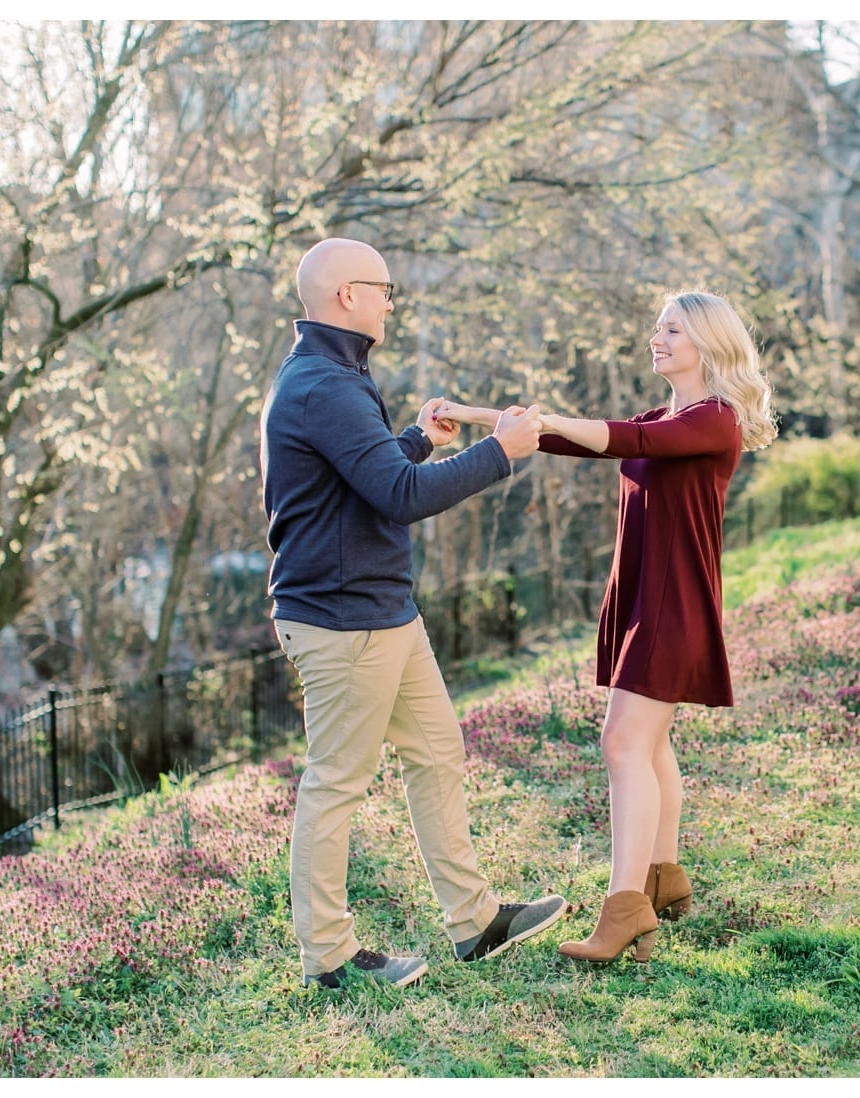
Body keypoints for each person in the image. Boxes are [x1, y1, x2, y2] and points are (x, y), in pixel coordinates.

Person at [434, 290, 776, 964]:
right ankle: (663, 877)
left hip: (670, 603)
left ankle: (625, 910)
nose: (658, 337)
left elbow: (631, 440)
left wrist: (544, 419)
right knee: (648, 746)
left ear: (707, 340)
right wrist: (473, 416)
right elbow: (575, 438)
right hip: (650, 596)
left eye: (672, 329)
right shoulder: (671, 412)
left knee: (623, 742)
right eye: (657, 327)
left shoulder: (715, 419)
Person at [260, 238, 565, 989]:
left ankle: (474, 921)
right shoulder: (323, 385)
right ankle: (327, 959)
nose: (392, 300)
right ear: (345, 297)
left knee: (437, 755)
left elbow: (369, 479)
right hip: (341, 622)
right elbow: (400, 498)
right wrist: (500, 452)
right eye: (384, 288)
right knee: (336, 783)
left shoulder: (336, 377)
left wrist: (418, 441)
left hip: (384, 613)